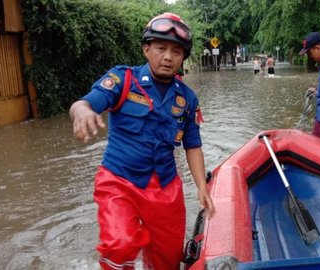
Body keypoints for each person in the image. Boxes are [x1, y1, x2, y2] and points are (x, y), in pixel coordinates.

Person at [69, 12, 215, 270]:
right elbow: (90, 101)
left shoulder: (187, 99)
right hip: (119, 182)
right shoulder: (122, 80)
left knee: (169, 259)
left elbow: (192, 144)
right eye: (161, 48)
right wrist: (81, 109)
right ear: (146, 49)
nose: (168, 57)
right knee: (120, 244)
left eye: (177, 52)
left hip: (165, 188)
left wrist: (202, 187)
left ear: (183, 58)